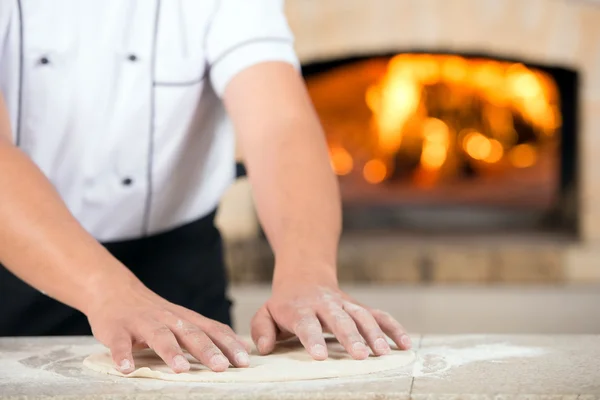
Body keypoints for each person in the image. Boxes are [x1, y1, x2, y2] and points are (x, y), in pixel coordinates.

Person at [0, 0, 411, 374]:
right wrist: (104, 290)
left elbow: (278, 124)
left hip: (178, 271)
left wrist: (307, 273)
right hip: (16, 262)